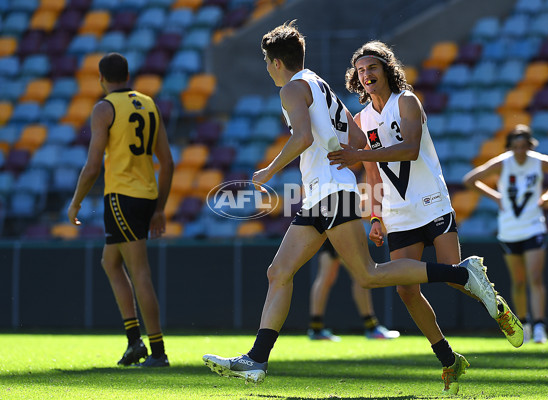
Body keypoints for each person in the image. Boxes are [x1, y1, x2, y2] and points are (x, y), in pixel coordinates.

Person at [202, 21, 508, 395]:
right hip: (321, 192)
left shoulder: (293, 88)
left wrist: (270, 169)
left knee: (367, 274)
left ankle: (462, 276)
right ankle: (257, 360)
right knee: (278, 271)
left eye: (267, 62)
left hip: (329, 192)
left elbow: (301, 136)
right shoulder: (318, 82)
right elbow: (359, 138)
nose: (267, 69)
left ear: (277, 62)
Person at [325, 40, 524, 392]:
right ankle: (447, 358)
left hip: (431, 201)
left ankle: (497, 307)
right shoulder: (362, 119)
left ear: (386, 69)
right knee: (405, 289)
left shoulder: (407, 101)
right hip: (397, 212)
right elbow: (371, 176)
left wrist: (359, 154)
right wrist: (374, 216)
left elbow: (411, 148)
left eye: (372, 67)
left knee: (450, 277)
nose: (366, 74)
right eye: (360, 70)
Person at [68, 53, 174, 367]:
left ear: (101, 78)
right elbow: (167, 163)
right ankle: (134, 342)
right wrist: (160, 208)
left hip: (121, 198)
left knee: (139, 273)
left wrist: (75, 201)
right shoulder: (148, 103)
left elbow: (91, 167)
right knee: (110, 262)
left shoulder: (104, 108)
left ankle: (157, 351)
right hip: (145, 197)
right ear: (127, 76)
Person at [463, 124, 548, 344]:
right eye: (516, 147)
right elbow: (470, 179)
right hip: (510, 230)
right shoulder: (503, 163)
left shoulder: (538, 160)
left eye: (524, 146)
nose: (520, 151)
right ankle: (525, 323)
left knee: (535, 277)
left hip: (533, 226)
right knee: (519, 281)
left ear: (530, 145)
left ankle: (540, 325)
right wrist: (496, 197)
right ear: (510, 147)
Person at [308, 239, 400, 341]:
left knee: (326, 278)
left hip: (332, 234)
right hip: (343, 235)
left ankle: (316, 328)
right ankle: (372, 327)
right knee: (361, 277)